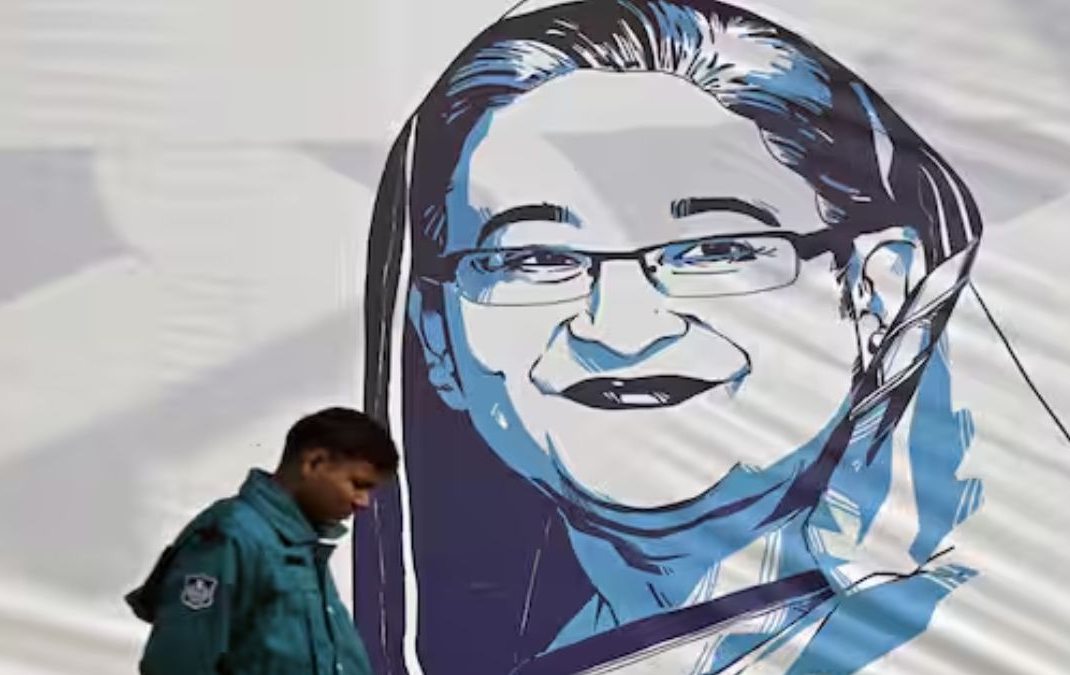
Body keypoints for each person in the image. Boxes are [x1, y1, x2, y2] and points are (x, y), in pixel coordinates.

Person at [355, 1, 985, 673]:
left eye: (714, 249)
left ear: (875, 291)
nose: (620, 332)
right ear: (439, 339)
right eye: (535, 258)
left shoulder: (947, 634)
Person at [126, 407, 399, 675]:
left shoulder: (299, 543)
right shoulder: (231, 536)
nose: (363, 502)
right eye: (358, 484)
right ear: (314, 462)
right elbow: (176, 663)